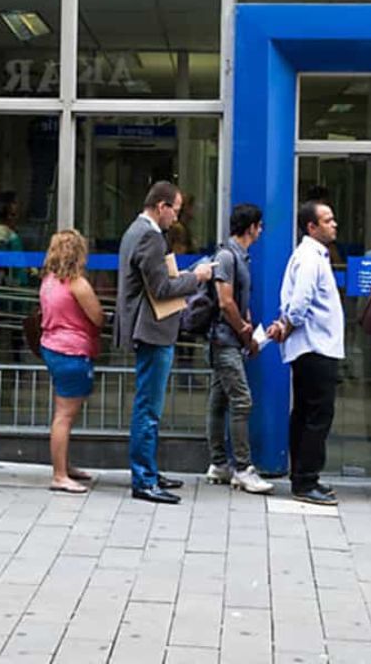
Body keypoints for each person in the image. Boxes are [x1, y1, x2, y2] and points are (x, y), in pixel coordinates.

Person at [115, 181, 213, 505]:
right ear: (161, 206)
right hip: (152, 331)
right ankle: (144, 478)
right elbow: (160, 289)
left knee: (149, 405)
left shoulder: (135, 231)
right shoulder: (150, 236)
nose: (177, 217)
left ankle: (150, 471)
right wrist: (195, 277)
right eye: (176, 209)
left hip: (149, 329)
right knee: (149, 408)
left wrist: (182, 275)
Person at [268, 200, 343, 505]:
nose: (334, 224)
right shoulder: (311, 259)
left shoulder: (310, 256)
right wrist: (288, 323)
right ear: (311, 227)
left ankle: (301, 475)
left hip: (311, 346)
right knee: (317, 414)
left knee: (304, 412)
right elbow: (300, 302)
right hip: (316, 346)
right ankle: (306, 480)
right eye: (328, 220)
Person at [204, 204, 272, 495]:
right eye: (260, 226)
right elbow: (225, 301)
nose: (261, 231)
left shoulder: (240, 257)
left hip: (229, 339)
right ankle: (243, 468)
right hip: (224, 340)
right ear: (252, 227)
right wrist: (245, 332)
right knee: (242, 401)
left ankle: (219, 464)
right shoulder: (227, 256)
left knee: (219, 401)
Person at [39, 229, 104, 494]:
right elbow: (98, 317)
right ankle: (60, 475)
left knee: (65, 413)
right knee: (64, 415)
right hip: (72, 351)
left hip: (52, 347)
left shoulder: (49, 281)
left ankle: (64, 464)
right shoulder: (77, 284)